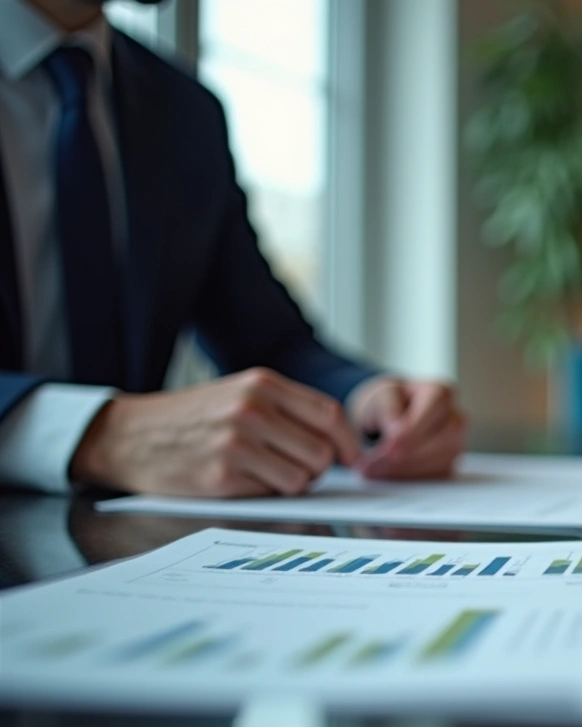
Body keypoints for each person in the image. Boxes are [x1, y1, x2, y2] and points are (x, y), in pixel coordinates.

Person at [0, 0, 466, 496]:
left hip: (113, 544)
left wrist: (367, 398)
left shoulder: (182, 111)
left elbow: (267, 340)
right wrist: (96, 433)